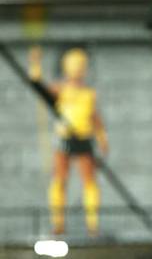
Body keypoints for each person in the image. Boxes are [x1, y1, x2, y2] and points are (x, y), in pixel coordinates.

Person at [28, 46, 108, 236]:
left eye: (81, 66)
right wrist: (35, 64)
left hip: (84, 137)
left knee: (89, 181)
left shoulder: (88, 93)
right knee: (60, 179)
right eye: (75, 65)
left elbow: (94, 117)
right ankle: (58, 223)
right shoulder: (60, 88)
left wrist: (102, 138)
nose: (78, 70)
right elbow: (39, 86)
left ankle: (92, 224)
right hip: (65, 136)